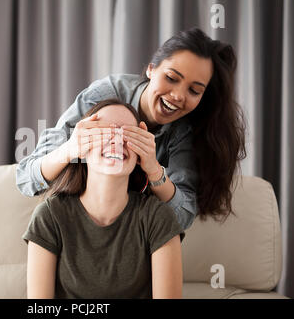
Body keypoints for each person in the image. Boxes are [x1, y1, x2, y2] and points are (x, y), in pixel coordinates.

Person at [16, 27, 246, 229]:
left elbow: (183, 218)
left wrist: (154, 170)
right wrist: (69, 150)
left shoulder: (183, 131)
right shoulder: (103, 97)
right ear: (151, 69)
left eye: (194, 91)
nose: (178, 96)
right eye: (171, 78)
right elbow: (26, 178)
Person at [23, 100, 185, 299]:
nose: (116, 142)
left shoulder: (157, 217)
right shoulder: (50, 216)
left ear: (141, 152)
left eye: (128, 135)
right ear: (81, 146)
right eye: (103, 133)